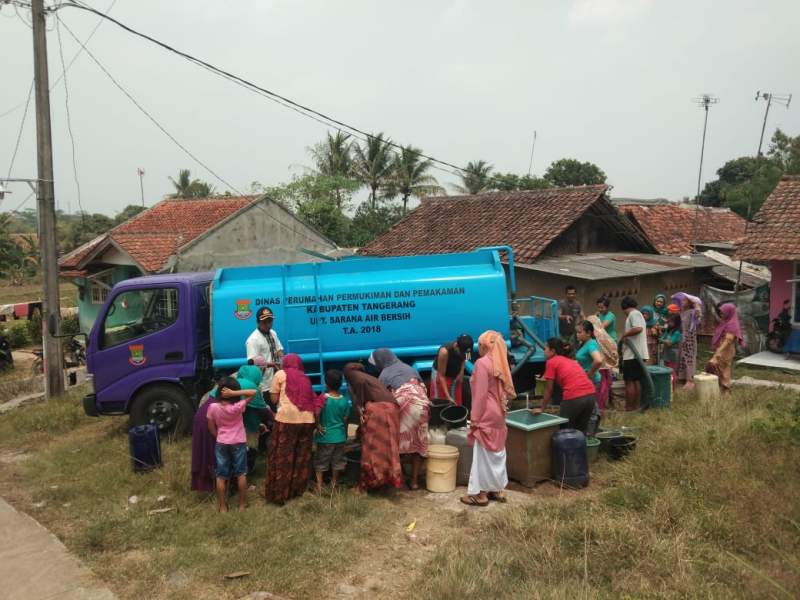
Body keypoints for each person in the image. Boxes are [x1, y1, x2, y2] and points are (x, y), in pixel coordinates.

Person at [461, 330, 515, 507]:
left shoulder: (482, 363)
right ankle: (497, 489)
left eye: (481, 345)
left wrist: (475, 419)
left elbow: (480, 394)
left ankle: (481, 494)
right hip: (499, 412)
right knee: (497, 453)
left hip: (486, 412)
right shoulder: (500, 362)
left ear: (485, 346)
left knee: (482, 456)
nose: (479, 348)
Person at [265, 354, 323, 505]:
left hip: (286, 420)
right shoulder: (305, 377)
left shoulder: (280, 374)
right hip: (307, 421)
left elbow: (273, 400)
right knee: (301, 457)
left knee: (283, 457)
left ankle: (280, 495)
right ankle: (297, 491)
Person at [370, 348, 430, 490]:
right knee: (417, 442)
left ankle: (400, 480)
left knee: (397, 443)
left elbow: (381, 397)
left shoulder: (384, 374)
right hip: (423, 404)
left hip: (405, 404)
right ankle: (414, 482)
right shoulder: (409, 368)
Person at [343, 362, 402, 492]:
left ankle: (367, 484)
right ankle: (385, 481)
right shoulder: (371, 378)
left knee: (372, 448)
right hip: (392, 410)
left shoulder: (354, 377)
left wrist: (359, 410)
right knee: (389, 447)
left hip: (378, 411)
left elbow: (360, 397)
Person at [207, 377, 258, 512]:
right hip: (238, 442)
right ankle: (242, 505)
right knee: (241, 473)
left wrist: (218, 436)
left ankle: (223, 506)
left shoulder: (212, 407)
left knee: (221, 475)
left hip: (222, 442)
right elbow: (254, 392)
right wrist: (234, 393)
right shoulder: (238, 406)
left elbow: (211, 427)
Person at [534, 338, 596, 434]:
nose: (544, 351)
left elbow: (548, 389)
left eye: (545, 348)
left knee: (565, 432)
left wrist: (542, 408)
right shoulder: (569, 360)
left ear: (553, 351)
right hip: (591, 395)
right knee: (581, 431)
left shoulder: (551, 362)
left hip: (574, 397)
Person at [313, 369, 351, 493]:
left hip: (325, 437)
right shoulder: (344, 401)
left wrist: (318, 425)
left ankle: (319, 485)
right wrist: (345, 434)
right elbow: (345, 420)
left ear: (326, 383)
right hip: (339, 437)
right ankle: (334, 484)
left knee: (321, 461)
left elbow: (316, 412)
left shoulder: (323, 398)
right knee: (337, 462)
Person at [191, 379, 224, 493]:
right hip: (209, 422)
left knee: (204, 451)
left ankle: (206, 484)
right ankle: (217, 486)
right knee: (213, 454)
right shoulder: (222, 402)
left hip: (201, 419)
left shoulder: (212, 394)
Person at [706, 303, 744, 394]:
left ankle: (726, 390)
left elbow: (728, 340)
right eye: (721, 313)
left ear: (729, 312)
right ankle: (719, 388)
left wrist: (718, 352)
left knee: (724, 369)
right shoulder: (726, 322)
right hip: (722, 348)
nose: (721, 314)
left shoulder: (732, 324)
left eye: (723, 313)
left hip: (726, 350)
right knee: (718, 368)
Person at [619, 296, 649, 411]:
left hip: (632, 355)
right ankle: (636, 407)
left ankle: (629, 407)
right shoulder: (638, 314)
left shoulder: (633, 314)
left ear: (624, 308)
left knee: (629, 382)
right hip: (638, 355)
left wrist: (624, 335)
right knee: (636, 381)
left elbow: (638, 329)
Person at [236, 362, 274, 454]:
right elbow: (262, 408)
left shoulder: (235, 381)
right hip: (247, 427)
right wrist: (275, 419)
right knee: (248, 449)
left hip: (227, 426)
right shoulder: (252, 387)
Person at [245, 307, 284, 394]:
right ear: (258, 322)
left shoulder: (273, 333)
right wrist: (271, 364)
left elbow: (279, 350)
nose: (268, 324)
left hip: (277, 379)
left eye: (270, 321)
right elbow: (252, 362)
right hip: (265, 384)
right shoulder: (253, 340)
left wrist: (282, 361)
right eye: (264, 322)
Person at [429, 334, 473, 406]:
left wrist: (461, 372)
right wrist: (448, 396)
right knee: (441, 402)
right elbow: (441, 376)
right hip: (441, 375)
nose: (462, 354)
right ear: (456, 346)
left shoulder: (468, 349)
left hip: (455, 373)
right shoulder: (444, 352)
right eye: (461, 352)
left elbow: (465, 359)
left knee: (456, 402)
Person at [586, 315, 618, 411]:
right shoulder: (605, 336)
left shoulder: (592, 339)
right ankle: (603, 407)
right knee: (604, 389)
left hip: (598, 369)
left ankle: (599, 409)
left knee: (600, 390)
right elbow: (614, 351)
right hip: (605, 368)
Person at [671, 292, 703, 389]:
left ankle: (690, 380)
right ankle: (682, 377)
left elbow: (698, 315)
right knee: (681, 357)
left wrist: (696, 304)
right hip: (681, 338)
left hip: (689, 339)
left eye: (685, 300)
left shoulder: (692, 312)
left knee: (689, 359)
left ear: (689, 303)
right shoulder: (681, 312)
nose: (682, 302)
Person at [559, 285, 585, 353]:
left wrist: (585, 321)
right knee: (563, 350)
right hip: (562, 333)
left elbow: (582, 315)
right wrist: (565, 316)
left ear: (575, 294)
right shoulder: (561, 303)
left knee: (573, 350)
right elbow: (558, 315)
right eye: (569, 294)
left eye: (573, 293)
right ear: (566, 294)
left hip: (573, 332)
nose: (571, 295)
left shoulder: (578, 304)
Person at [660, 313, 682, 390]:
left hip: (673, 353)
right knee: (666, 369)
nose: (669, 323)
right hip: (666, 352)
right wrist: (663, 339)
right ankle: (668, 388)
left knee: (672, 370)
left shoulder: (677, 332)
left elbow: (669, 343)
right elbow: (663, 338)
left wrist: (661, 340)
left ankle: (673, 389)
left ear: (677, 322)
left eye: (671, 322)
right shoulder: (669, 330)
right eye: (669, 321)